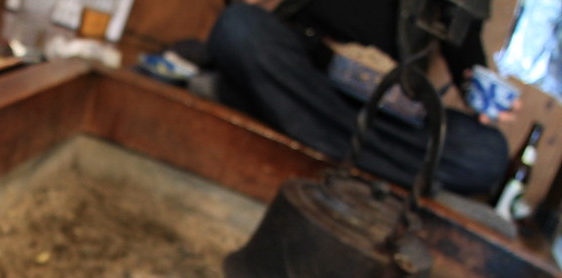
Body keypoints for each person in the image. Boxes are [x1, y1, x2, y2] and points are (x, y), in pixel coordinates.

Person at [200, 0, 515, 196]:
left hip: (384, 100)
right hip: (309, 66)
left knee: (487, 154)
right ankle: (369, 160)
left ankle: (270, 108)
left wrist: (480, 87)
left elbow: (463, 37)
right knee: (239, 27)